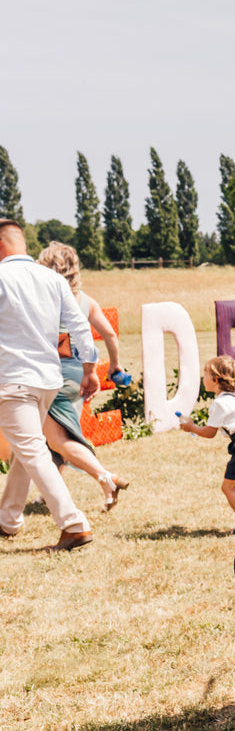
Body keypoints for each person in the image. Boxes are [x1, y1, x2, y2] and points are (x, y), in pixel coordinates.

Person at [0, 219, 100, 550]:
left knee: (31, 449)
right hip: (47, 380)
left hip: (13, 379)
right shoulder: (52, 279)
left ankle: (74, 524)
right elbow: (79, 326)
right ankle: (8, 519)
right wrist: (89, 369)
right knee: (25, 449)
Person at [34, 242, 131, 511]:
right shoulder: (86, 300)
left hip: (53, 375)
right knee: (56, 434)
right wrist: (114, 366)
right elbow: (110, 334)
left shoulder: (43, 299)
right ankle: (50, 492)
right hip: (79, 375)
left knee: (57, 439)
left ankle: (106, 478)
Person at [177, 355, 235, 534]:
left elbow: (209, 433)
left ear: (215, 379)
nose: (203, 379)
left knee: (228, 488)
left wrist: (191, 427)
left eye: (205, 375)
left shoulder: (220, 403)